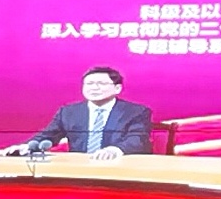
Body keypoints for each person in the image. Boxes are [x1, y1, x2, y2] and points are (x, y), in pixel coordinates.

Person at [21, 65, 153, 157]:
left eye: (101, 84)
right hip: (80, 169)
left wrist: (114, 150)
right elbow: (48, 135)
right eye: (89, 84)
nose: (94, 88)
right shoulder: (69, 112)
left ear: (117, 88)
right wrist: (27, 146)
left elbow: (137, 140)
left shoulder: (136, 112)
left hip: (120, 167)